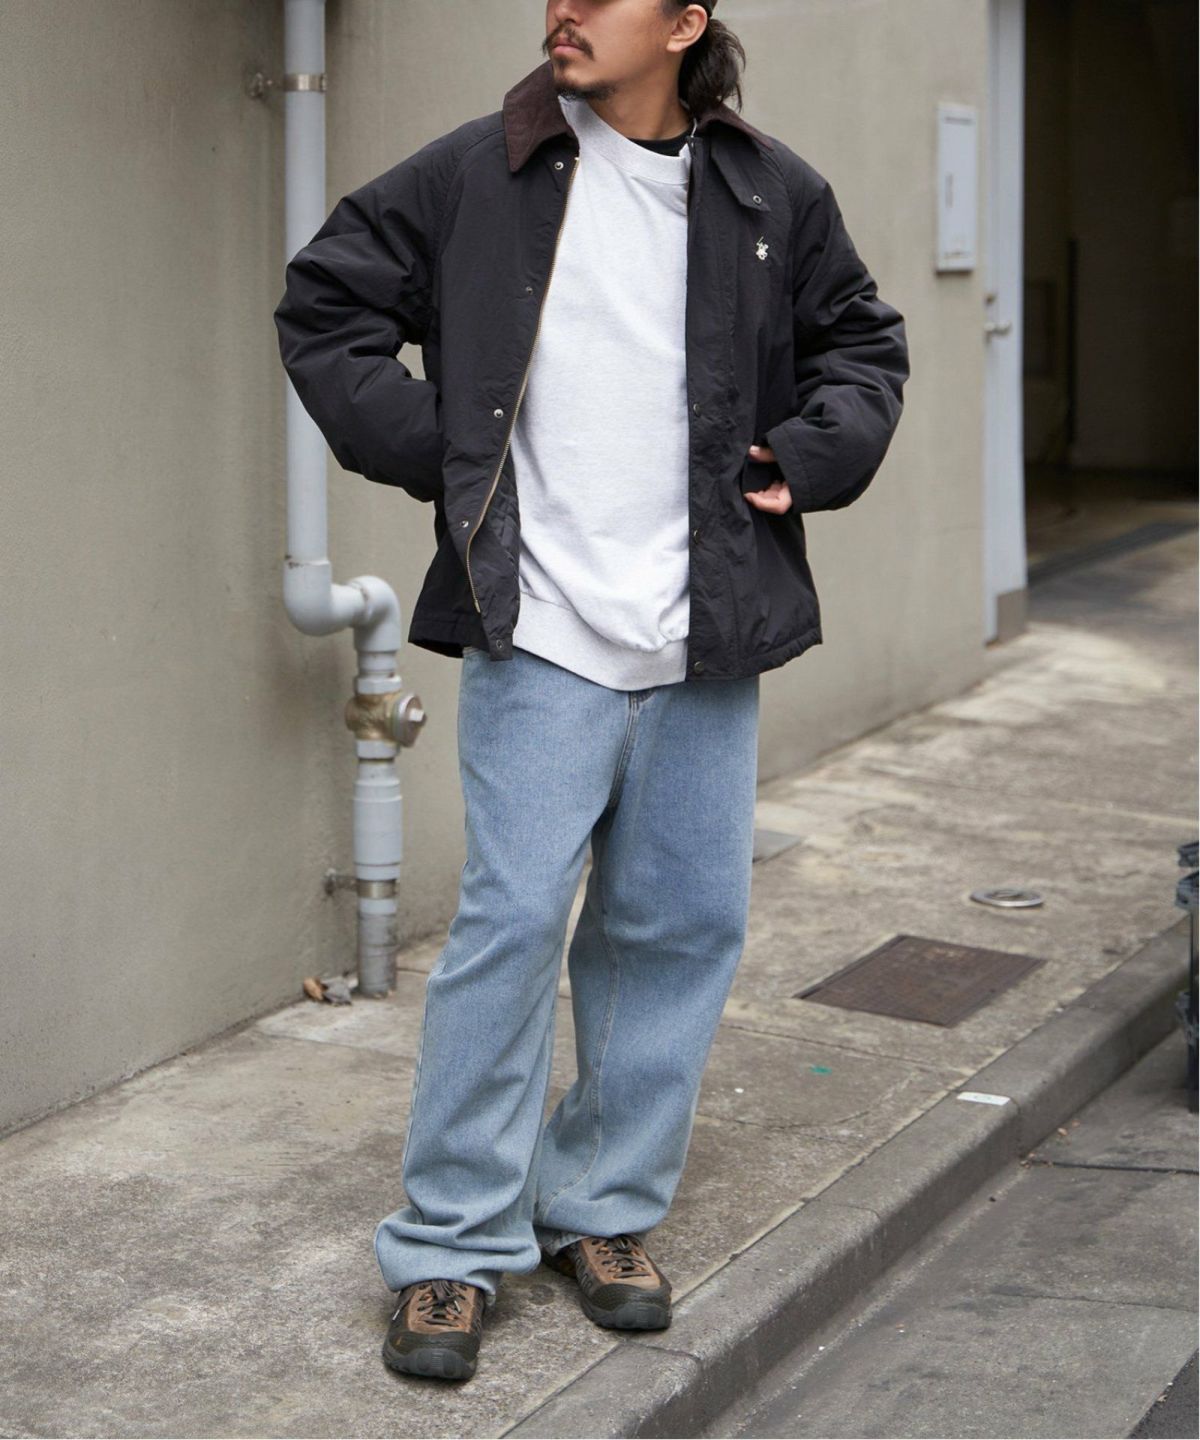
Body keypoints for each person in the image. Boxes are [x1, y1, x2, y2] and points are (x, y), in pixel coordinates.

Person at [273, 0, 909, 1384]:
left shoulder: (770, 192)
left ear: (683, 24)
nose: (563, 10)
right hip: (542, 624)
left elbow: (865, 343)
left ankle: (600, 1208)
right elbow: (325, 306)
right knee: (509, 928)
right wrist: (439, 449)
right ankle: (451, 1244)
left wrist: (812, 451)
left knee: (675, 928)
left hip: (702, 625)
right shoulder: (476, 171)